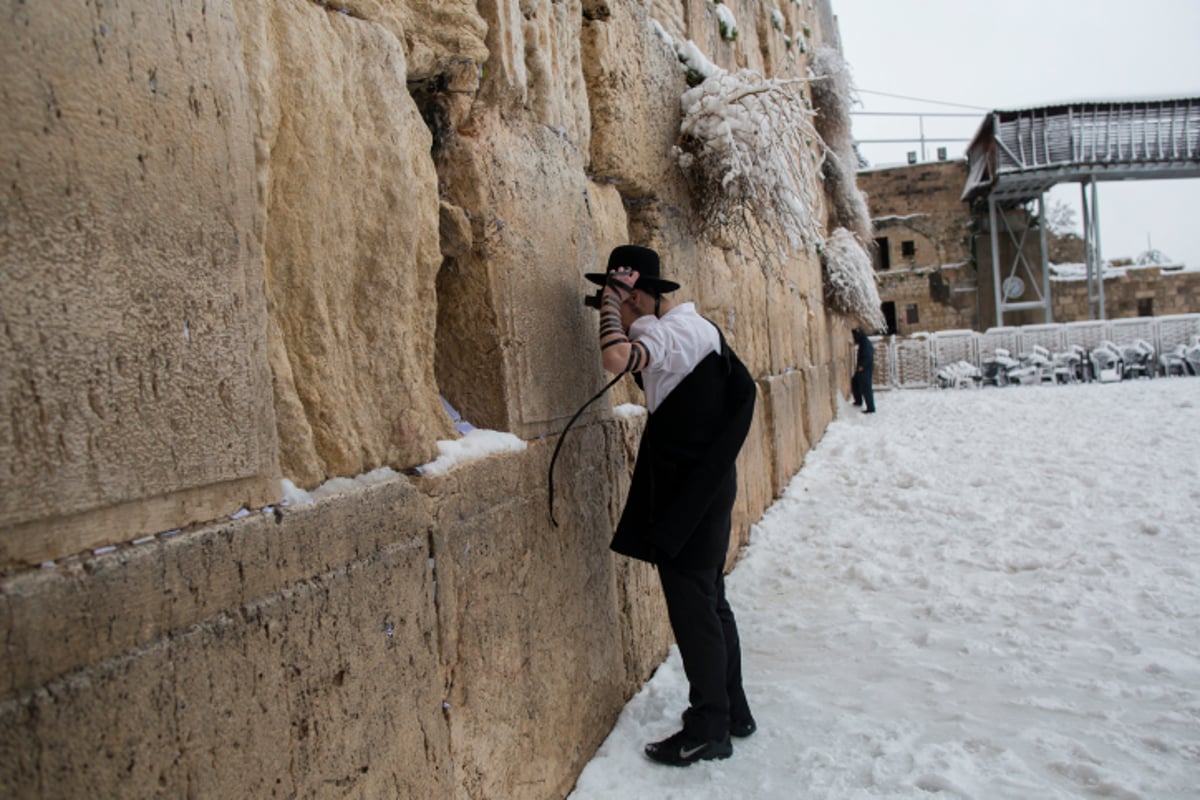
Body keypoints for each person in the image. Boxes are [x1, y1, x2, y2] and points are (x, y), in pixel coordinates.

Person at [586, 244, 757, 767]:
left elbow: (616, 359)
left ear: (635, 294)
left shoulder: (677, 333)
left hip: (691, 495)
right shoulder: (684, 332)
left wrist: (612, 302)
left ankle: (709, 728)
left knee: (694, 610)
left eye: (617, 301)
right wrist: (617, 304)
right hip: (699, 488)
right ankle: (732, 712)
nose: (610, 311)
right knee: (710, 601)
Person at [851, 328, 876, 413]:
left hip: (865, 368)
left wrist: (862, 365)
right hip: (862, 368)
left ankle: (870, 408)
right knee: (855, 382)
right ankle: (858, 401)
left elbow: (868, 356)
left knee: (866, 387)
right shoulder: (863, 342)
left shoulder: (865, 343)